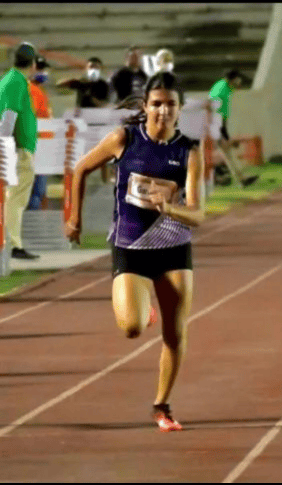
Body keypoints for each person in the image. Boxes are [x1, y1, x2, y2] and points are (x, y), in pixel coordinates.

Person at [65, 72, 204, 432]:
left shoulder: (188, 151)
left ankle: (162, 406)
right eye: (156, 103)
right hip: (131, 247)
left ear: (179, 108)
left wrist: (170, 208)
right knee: (131, 327)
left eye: (170, 104)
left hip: (174, 247)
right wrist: (74, 219)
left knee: (176, 334)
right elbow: (80, 169)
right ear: (145, 106)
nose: (163, 110)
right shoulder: (124, 139)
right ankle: (144, 307)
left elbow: (199, 214)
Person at [0, 42, 40, 259]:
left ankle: (10, 241)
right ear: (33, 64)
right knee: (15, 199)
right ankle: (12, 244)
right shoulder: (16, 82)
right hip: (18, 149)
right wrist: (6, 146)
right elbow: (9, 115)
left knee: (13, 198)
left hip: (16, 147)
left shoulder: (11, 80)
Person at [209, 69, 258, 187]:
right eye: (238, 78)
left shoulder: (224, 87)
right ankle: (230, 178)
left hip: (216, 123)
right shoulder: (222, 90)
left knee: (226, 151)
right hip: (214, 122)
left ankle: (239, 179)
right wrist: (224, 134)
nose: (240, 81)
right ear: (234, 79)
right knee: (224, 150)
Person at [27, 55, 53, 210]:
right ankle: (30, 227)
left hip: (43, 145)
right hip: (36, 145)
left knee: (39, 191)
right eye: (39, 68)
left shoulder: (39, 91)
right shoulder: (31, 91)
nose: (43, 72)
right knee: (36, 191)